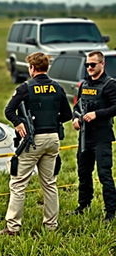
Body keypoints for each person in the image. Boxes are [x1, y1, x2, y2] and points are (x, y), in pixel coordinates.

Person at [0, 52, 72, 235]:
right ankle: (51, 226)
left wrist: (18, 122)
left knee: (18, 184)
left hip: (33, 141)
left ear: (32, 68)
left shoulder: (25, 87)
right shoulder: (57, 87)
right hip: (53, 139)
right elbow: (67, 115)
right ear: (46, 67)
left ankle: (13, 227)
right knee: (50, 183)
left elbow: (9, 110)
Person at [72, 51, 116, 222]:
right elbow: (77, 106)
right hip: (85, 136)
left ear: (102, 64)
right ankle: (83, 205)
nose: (89, 68)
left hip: (102, 136)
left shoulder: (110, 85)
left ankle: (111, 212)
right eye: (87, 65)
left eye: (93, 64)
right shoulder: (84, 85)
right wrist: (76, 118)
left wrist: (97, 114)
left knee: (104, 174)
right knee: (83, 172)